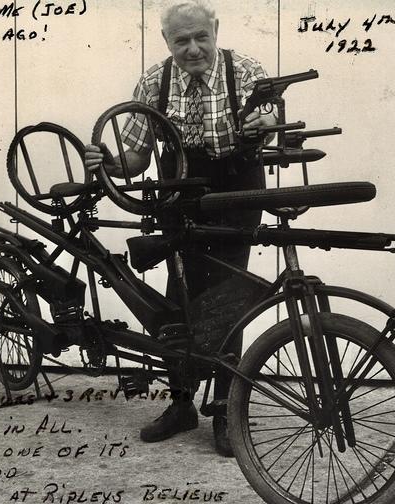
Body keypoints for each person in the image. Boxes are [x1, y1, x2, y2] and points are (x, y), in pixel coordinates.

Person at [85, 0, 276, 457]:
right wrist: (109, 162)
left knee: (229, 302)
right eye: (181, 41)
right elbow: (136, 157)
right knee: (178, 301)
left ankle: (227, 409)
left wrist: (266, 123)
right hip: (179, 202)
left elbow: (272, 121)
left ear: (216, 30)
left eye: (200, 37)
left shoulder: (246, 71)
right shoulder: (154, 81)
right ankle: (181, 403)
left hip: (235, 199)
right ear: (167, 42)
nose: (192, 49)